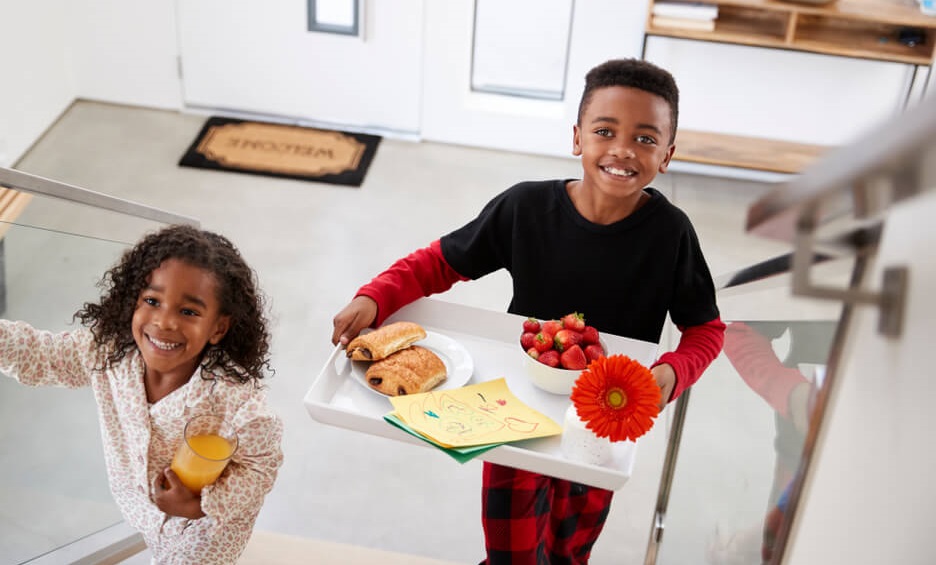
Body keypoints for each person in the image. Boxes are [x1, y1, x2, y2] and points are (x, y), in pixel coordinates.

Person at [332, 58, 726, 564]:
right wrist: (376, 296)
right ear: (578, 137)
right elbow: (437, 263)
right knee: (512, 555)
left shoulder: (671, 233)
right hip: (510, 412)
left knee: (569, 554)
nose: (623, 150)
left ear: (667, 156)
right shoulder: (524, 208)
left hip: (602, 425)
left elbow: (706, 329)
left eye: (646, 139)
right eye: (605, 130)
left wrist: (671, 374)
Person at [0, 225, 283, 564]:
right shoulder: (108, 354)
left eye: (189, 311)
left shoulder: (235, 401)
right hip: (144, 514)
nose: (164, 322)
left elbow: (260, 467)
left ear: (218, 328)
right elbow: (41, 354)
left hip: (205, 534)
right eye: (152, 301)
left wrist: (197, 506)